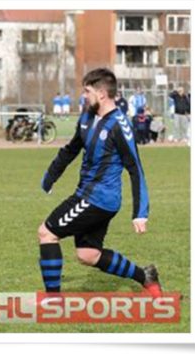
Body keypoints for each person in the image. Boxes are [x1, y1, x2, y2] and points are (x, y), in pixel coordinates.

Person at [38, 68, 162, 298]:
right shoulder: (86, 117)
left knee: (46, 233)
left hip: (96, 198)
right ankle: (145, 276)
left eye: (87, 91)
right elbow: (71, 150)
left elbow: (136, 169)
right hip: (93, 197)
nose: (83, 96)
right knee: (88, 254)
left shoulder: (119, 125)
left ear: (102, 93)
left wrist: (140, 213)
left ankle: (53, 301)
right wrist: (50, 176)